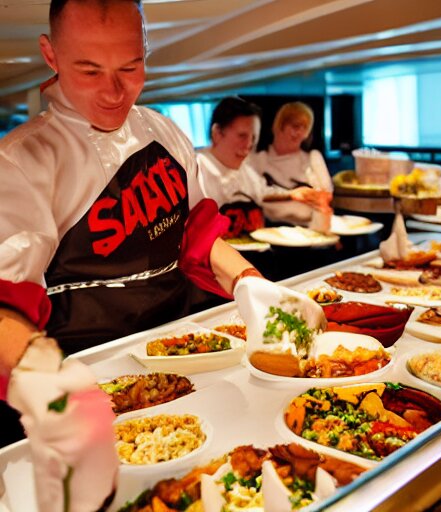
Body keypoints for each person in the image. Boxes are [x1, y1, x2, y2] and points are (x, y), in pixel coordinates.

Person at [0, 0, 264, 508]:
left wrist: (249, 282)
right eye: (89, 70)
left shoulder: (163, 132)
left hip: (183, 370)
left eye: (131, 67)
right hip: (81, 392)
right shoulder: (24, 162)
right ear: (50, 54)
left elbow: (196, 236)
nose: (114, 91)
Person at [197, 96, 333, 238]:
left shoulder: (244, 169)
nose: (249, 145)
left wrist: (292, 195)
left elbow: (262, 191)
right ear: (217, 133)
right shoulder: (198, 169)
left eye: (253, 138)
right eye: (242, 136)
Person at [250, 101, 334, 230]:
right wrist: (291, 194)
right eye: (295, 126)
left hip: (310, 229)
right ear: (279, 126)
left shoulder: (313, 157)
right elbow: (255, 194)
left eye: (304, 128)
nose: (299, 132)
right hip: (271, 230)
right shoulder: (258, 160)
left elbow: (327, 194)